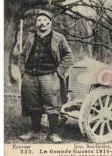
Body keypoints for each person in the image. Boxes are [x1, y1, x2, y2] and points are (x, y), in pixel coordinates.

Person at [18, 9, 74, 143]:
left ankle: (54, 133)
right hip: (30, 76)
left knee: (52, 105)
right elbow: (22, 56)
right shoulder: (31, 37)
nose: (41, 23)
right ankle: (34, 131)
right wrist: (22, 71)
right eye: (39, 20)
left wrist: (59, 71)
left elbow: (69, 56)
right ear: (36, 23)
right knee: (33, 105)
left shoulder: (58, 37)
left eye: (44, 20)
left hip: (50, 76)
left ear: (50, 23)